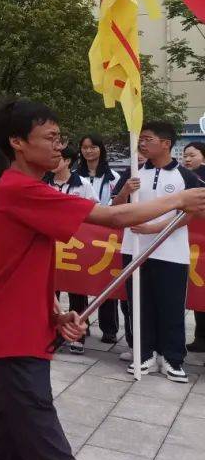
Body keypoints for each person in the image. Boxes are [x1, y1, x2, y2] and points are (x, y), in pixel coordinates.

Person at [0, 99, 205, 460]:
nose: (60, 146)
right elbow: (114, 217)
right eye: (50, 138)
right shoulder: (21, 189)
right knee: (52, 457)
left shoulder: (24, 190)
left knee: (9, 444)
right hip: (13, 343)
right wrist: (180, 198)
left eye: (61, 138)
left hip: (21, 335)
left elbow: (19, 270)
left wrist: (54, 314)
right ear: (18, 142)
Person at [111, 121, 199, 383]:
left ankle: (172, 358)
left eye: (148, 139)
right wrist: (126, 190)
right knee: (139, 304)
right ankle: (144, 353)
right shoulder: (134, 172)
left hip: (170, 253)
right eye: (142, 139)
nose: (142, 143)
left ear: (166, 144)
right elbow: (114, 207)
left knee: (170, 306)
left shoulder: (185, 176)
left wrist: (156, 228)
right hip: (134, 249)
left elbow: (193, 212)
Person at [43, 146, 98, 354]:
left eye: (57, 159)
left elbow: (95, 211)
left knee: (76, 290)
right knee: (50, 288)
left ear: (68, 162)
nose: (53, 162)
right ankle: (52, 330)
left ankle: (78, 335)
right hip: (50, 244)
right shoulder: (44, 183)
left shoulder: (82, 184)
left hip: (75, 244)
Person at [75, 134, 121, 344]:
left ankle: (109, 328)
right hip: (81, 234)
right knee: (78, 281)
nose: (88, 151)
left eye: (93, 147)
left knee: (105, 280)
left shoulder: (114, 177)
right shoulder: (75, 175)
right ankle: (80, 324)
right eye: (85, 147)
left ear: (101, 149)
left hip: (105, 234)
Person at [183, 140, 205, 354]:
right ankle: (200, 337)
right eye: (185, 155)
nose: (188, 159)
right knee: (198, 292)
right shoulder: (183, 178)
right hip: (191, 245)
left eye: (192, 155)